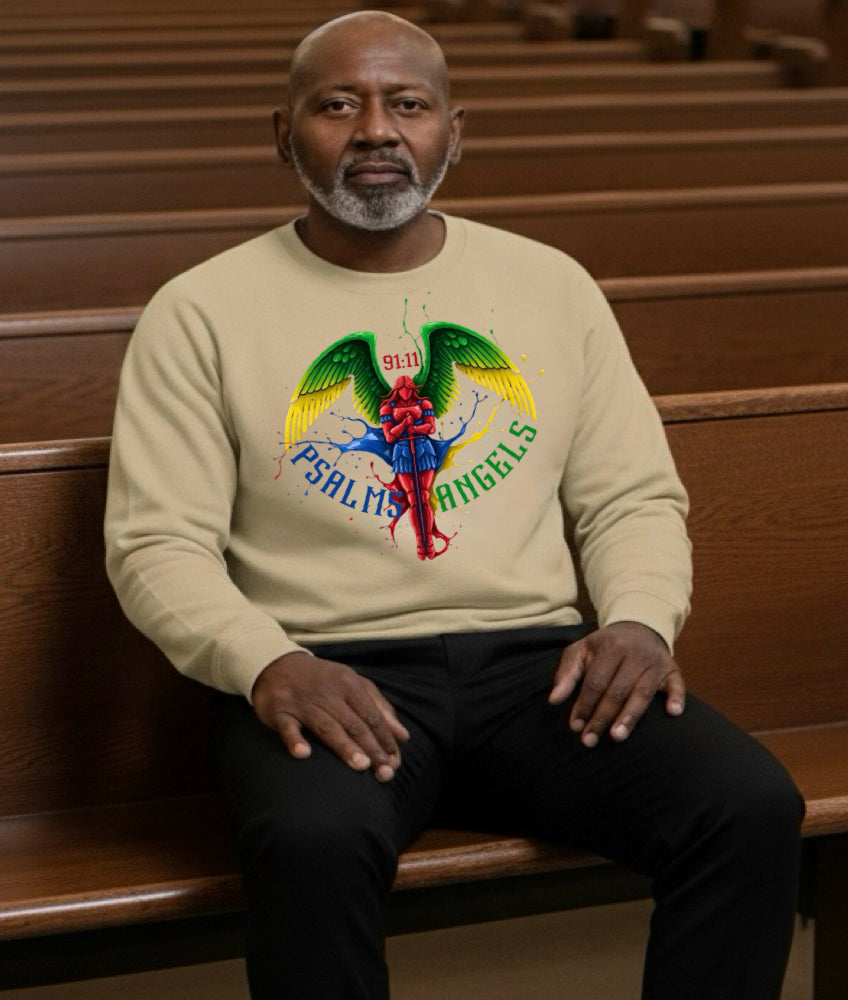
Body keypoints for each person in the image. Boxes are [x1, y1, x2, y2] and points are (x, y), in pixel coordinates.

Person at [104, 11, 803, 999]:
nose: (376, 130)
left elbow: (630, 497)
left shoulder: (548, 285)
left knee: (745, 803)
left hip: (536, 669)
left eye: (408, 104)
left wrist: (641, 622)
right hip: (328, 672)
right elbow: (154, 543)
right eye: (337, 104)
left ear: (451, 131)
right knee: (311, 839)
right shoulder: (201, 310)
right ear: (282, 133)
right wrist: (267, 662)